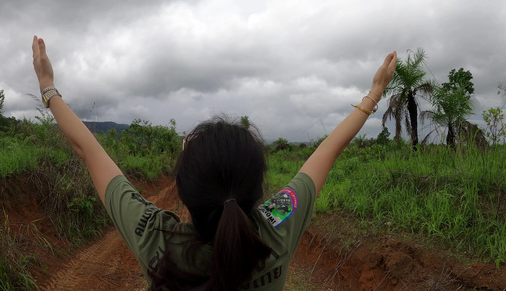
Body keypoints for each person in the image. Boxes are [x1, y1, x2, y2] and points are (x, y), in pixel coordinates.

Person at [32, 35, 396, 290]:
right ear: (258, 192)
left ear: (184, 191)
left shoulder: (154, 236)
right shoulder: (277, 223)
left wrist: (47, 86)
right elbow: (327, 152)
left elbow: (89, 151)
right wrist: (374, 93)